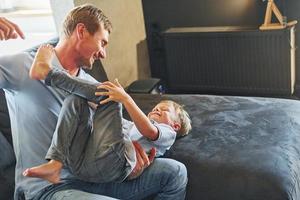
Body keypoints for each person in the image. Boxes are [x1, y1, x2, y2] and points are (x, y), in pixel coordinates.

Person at [0, 4, 188, 200]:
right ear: (81, 31)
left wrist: (128, 163)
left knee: (176, 172)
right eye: (103, 43)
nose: (104, 54)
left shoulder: (92, 84)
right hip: (50, 187)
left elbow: (115, 130)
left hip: (93, 175)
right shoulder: (22, 65)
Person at [22, 44, 192, 184]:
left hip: (113, 166)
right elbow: (109, 124)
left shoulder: (167, 134)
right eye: (156, 107)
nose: (157, 109)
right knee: (76, 99)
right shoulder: (131, 127)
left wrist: (126, 99)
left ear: (175, 125)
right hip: (82, 164)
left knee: (112, 97)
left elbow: (149, 131)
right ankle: (55, 164)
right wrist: (91, 102)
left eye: (164, 110)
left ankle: (48, 73)